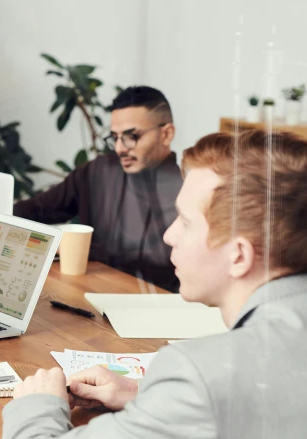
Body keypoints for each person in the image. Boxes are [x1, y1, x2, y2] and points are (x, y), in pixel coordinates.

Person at [0, 129, 307, 439]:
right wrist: (148, 396)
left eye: (186, 222)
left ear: (239, 256)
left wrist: (37, 405)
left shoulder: (198, 374)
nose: (169, 235)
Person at [14, 86, 182, 291]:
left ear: (166, 134)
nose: (120, 148)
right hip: (85, 295)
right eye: (115, 138)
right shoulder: (99, 171)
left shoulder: (187, 192)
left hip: (155, 309)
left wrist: (81, 249)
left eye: (132, 136)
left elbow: (159, 266)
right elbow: (37, 210)